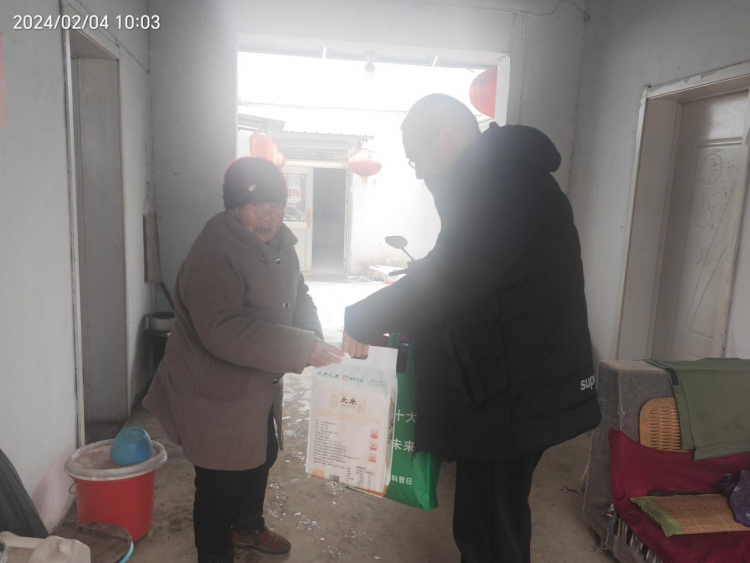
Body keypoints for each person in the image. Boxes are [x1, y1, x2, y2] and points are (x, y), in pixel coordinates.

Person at [342, 94, 601, 563]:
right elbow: (468, 270)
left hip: (514, 389)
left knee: (491, 525)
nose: (418, 173)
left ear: (446, 137)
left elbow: (453, 277)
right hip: (505, 380)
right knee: (487, 514)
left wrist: (362, 318)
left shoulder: (504, 182)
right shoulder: (498, 178)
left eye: (416, 158)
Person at [143, 157, 343, 563]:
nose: (269, 215)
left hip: (256, 384)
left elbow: (299, 293)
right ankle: (215, 554)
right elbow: (222, 330)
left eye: (276, 204)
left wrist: (313, 335)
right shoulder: (214, 253)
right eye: (257, 205)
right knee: (219, 481)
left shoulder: (280, 244)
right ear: (234, 207)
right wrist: (299, 348)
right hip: (214, 389)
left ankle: (248, 527)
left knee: (261, 454)